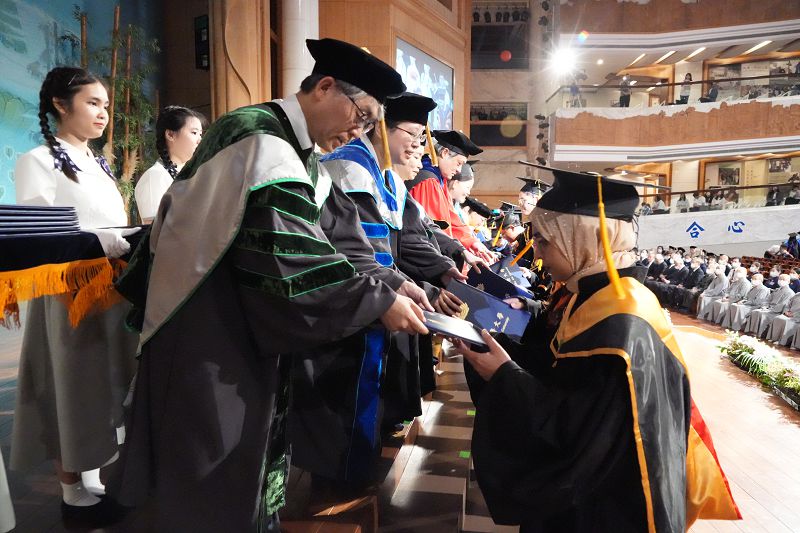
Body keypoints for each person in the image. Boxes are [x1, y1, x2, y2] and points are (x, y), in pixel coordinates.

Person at [109, 38, 430, 532]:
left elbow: (340, 233)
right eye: (362, 116)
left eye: (370, 125)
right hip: (205, 322)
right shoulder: (258, 138)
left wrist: (389, 281)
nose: (360, 132)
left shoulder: (300, 153)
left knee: (242, 450)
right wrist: (375, 299)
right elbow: (288, 254)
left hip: (243, 321)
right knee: (208, 456)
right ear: (325, 87)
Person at [451, 166, 739, 532]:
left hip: (609, 508)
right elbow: (560, 373)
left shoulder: (621, 324)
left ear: (582, 241)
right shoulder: (597, 295)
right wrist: (498, 348)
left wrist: (504, 375)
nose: (536, 253)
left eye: (544, 241)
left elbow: (577, 432)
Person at [12, 66, 140, 526]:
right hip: (68, 293)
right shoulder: (38, 160)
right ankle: (71, 493)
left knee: (100, 388)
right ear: (60, 105)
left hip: (110, 288)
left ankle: (93, 479)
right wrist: (96, 240)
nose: (103, 113)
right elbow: (38, 235)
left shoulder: (97, 161)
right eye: (92, 103)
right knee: (69, 388)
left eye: (106, 105)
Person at [134, 105, 207, 223]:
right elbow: (155, 229)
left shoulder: (192, 173)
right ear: (170, 135)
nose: (200, 140)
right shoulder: (155, 177)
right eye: (194, 133)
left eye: (200, 134)